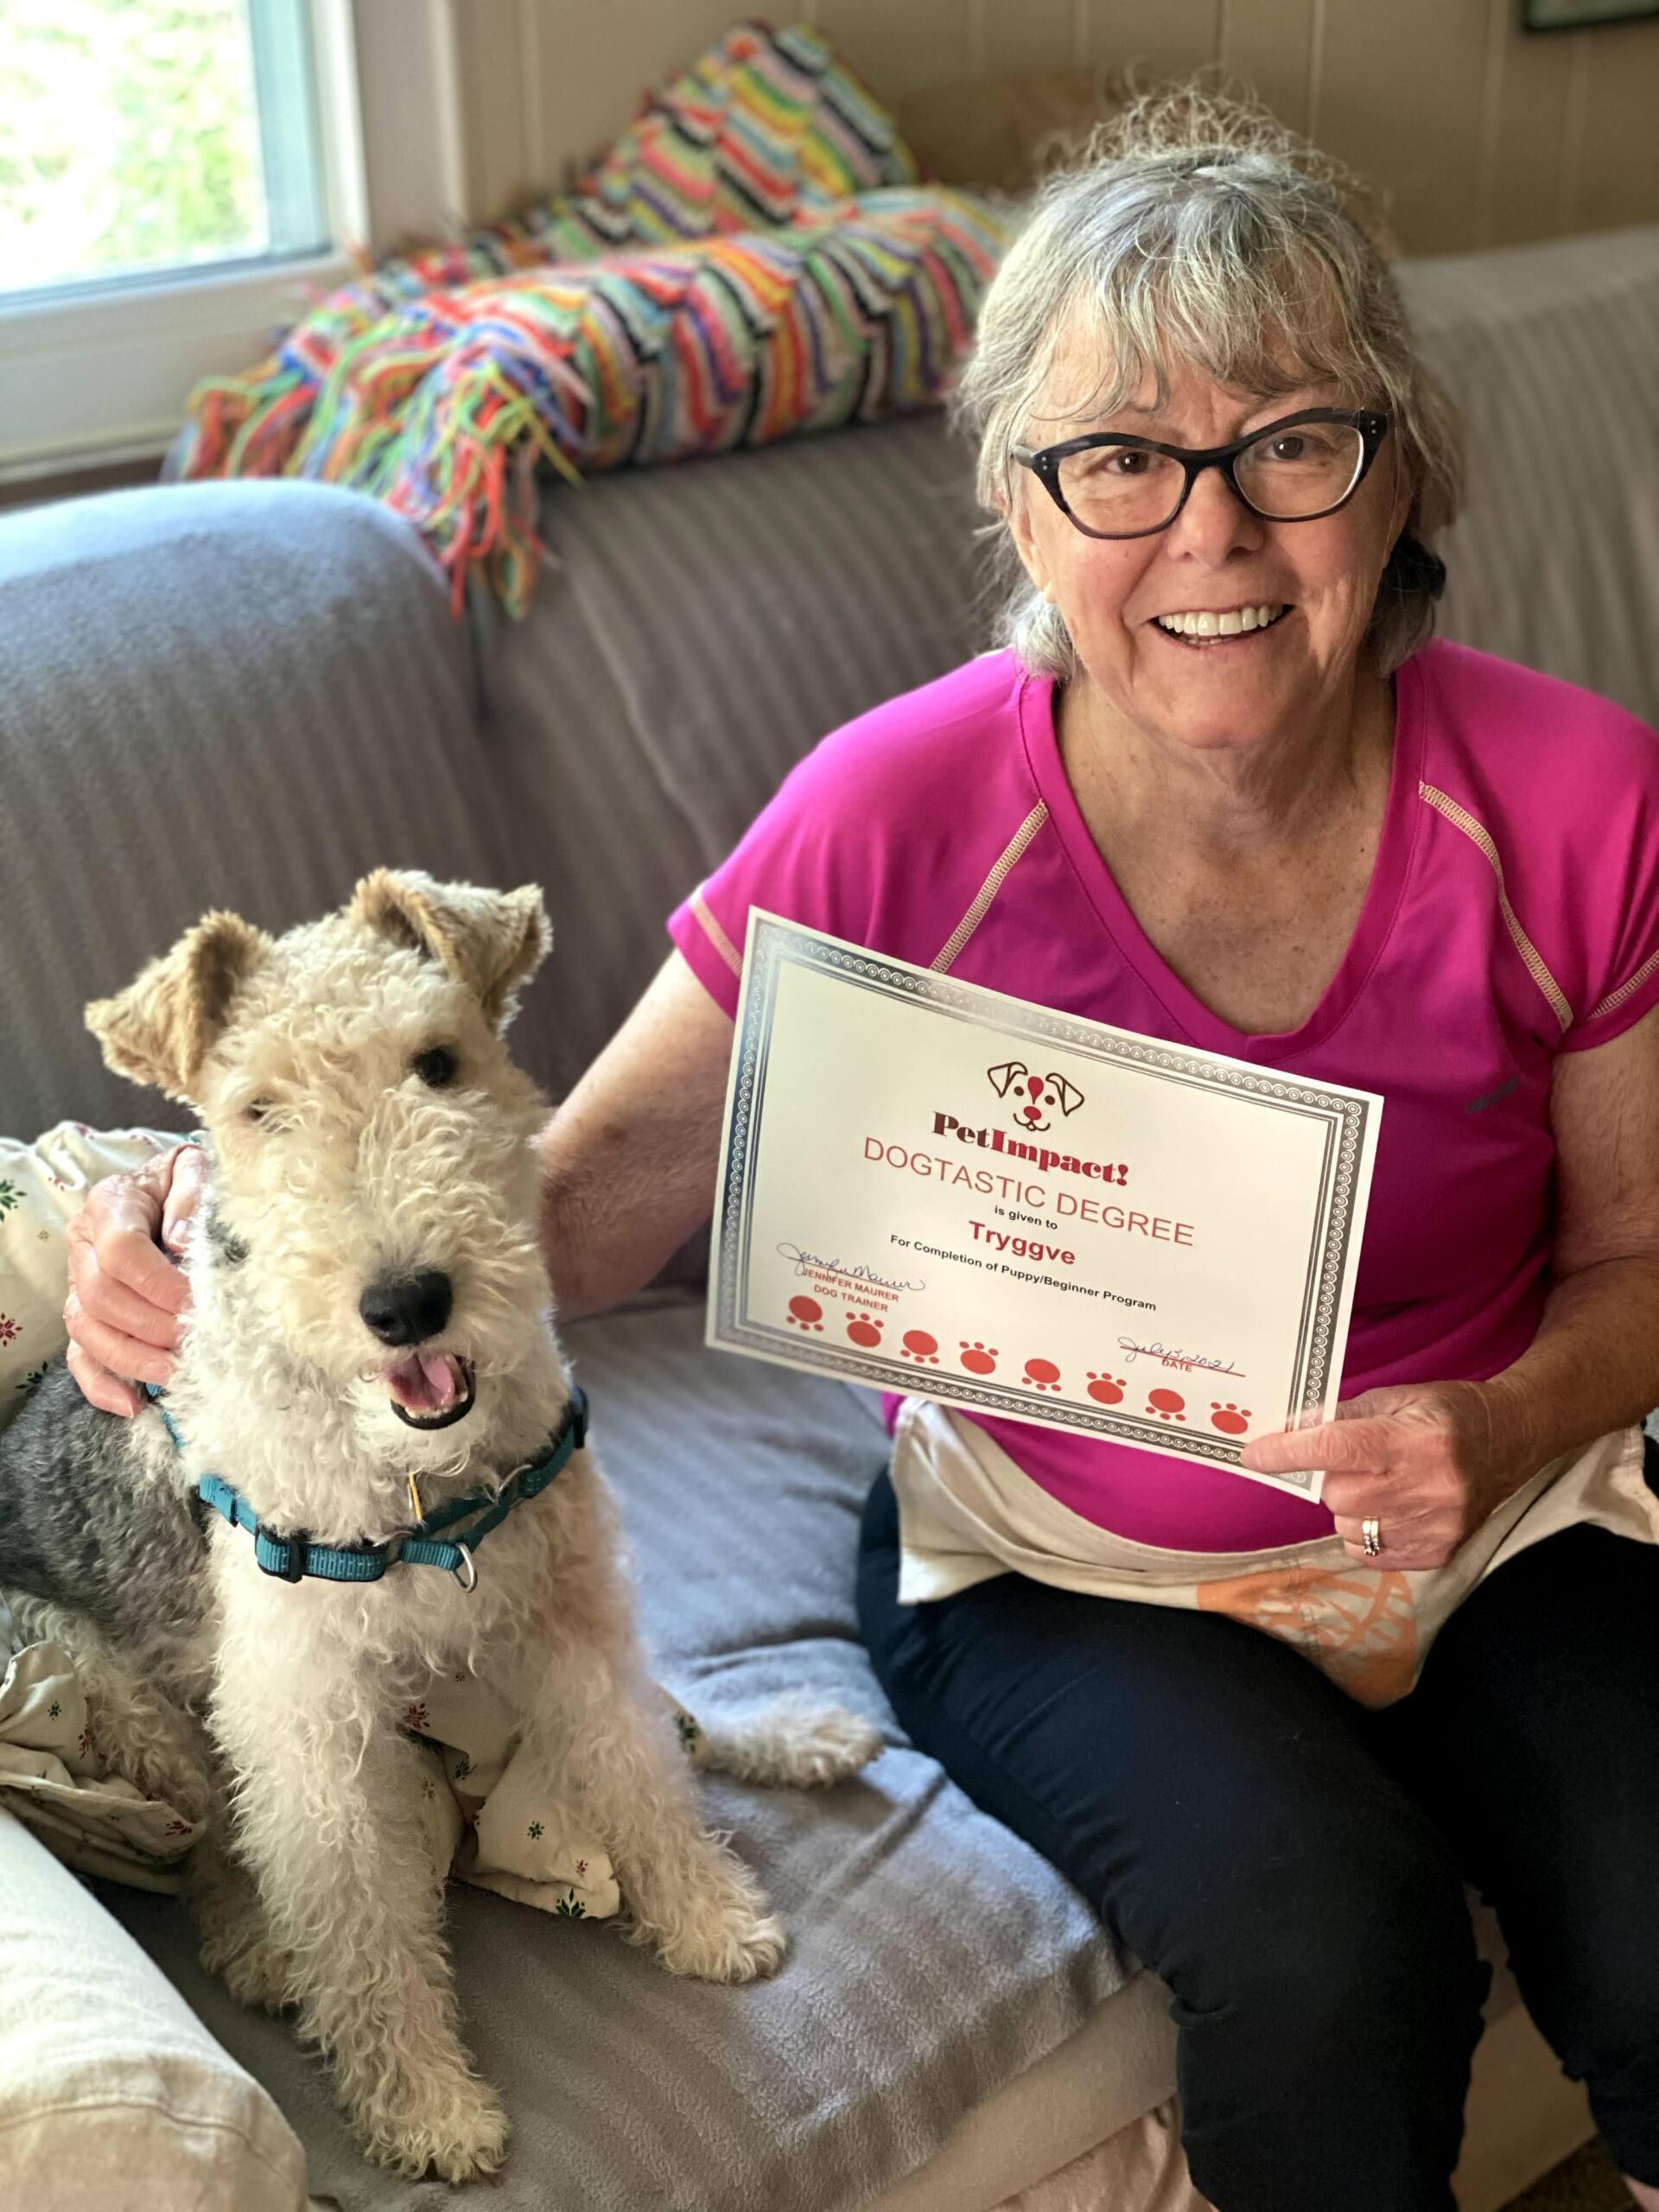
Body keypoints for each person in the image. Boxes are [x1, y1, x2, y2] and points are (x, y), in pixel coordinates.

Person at [61, 86, 1659, 2212]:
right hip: (1062, 1553)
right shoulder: (897, 809)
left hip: (1511, 1514)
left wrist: (1499, 1417)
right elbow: (589, 1193)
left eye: (1291, 439)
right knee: (1324, 1946)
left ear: (1395, 473)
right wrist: (207, 1222)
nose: (1212, 531)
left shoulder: (1578, 797)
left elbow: (1642, 1256)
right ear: (1022, 496)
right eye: (1121, 458)